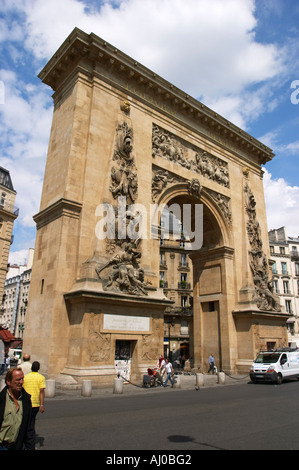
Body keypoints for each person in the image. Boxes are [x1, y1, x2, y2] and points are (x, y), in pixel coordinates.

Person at [0, 367, 35, 450]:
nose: (21, 382)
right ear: (8, 382)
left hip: (16, 446)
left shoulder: (26, 400)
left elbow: (29, 428)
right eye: (18, 380)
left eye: (22, 379)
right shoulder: (1, 399)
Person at [23, 361, 45, 443]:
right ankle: (30, 443)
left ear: (31, 368)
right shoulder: (41, 378)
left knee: (25, 422)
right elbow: (42, 391)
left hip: (26, 403)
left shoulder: (25, 377)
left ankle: (25, 440)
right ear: (39, 368)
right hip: (35, 403)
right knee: (31, 422)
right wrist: (42, 405)